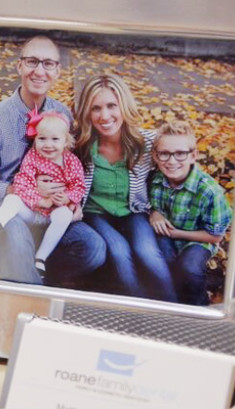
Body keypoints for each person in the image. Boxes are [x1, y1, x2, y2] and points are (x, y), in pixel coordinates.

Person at [0, 35, 104, 284]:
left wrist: (74, 202)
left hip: (54, 207)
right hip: (13, 205)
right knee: (18, 241)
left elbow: (73, 169)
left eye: (48, 64)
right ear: (19, 66)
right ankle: (31, 291)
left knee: (93, 248)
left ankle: (37, 274)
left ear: (57, 71)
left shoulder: (62, 114)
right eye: (32, 61)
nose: (39, 71)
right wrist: (22, 190)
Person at [71, 73, 176, 302]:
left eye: (111, 106)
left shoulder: (147, 143)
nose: (105, 116)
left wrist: (157, 209)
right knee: (118, 251)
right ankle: (137, 313)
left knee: (147, 253)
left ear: (124, 107)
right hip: (95, 213)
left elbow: (166, 175)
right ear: (87, 113)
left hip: (134, 211)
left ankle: (175, 308)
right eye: (96, 108)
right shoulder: (80, 145)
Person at [148, 121, 233, 305]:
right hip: (166, 236)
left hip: (198, 240)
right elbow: (147, 203)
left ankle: (199, 306)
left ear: (193, 155)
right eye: (164, 154)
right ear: (155, 155)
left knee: (189, 268)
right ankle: (171, 301)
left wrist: (177, 233)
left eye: (180, 154)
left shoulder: (209, 191)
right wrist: (155, 212)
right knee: (161, 263)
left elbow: (215, 236)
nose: (171, 161)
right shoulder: (155, 179)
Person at [0, 111, 85, 276]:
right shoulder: (33, 157)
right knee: (12, 199)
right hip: (31, 209)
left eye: (55, 139)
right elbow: (21, 183)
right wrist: (39, 200)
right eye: (42, 139)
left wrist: (68, 197)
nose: (48, 145)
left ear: (66, 141)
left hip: (53, 214)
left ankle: (41, 257)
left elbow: (79, 186)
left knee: (64, 215)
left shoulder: (71, 162)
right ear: (35, 139)